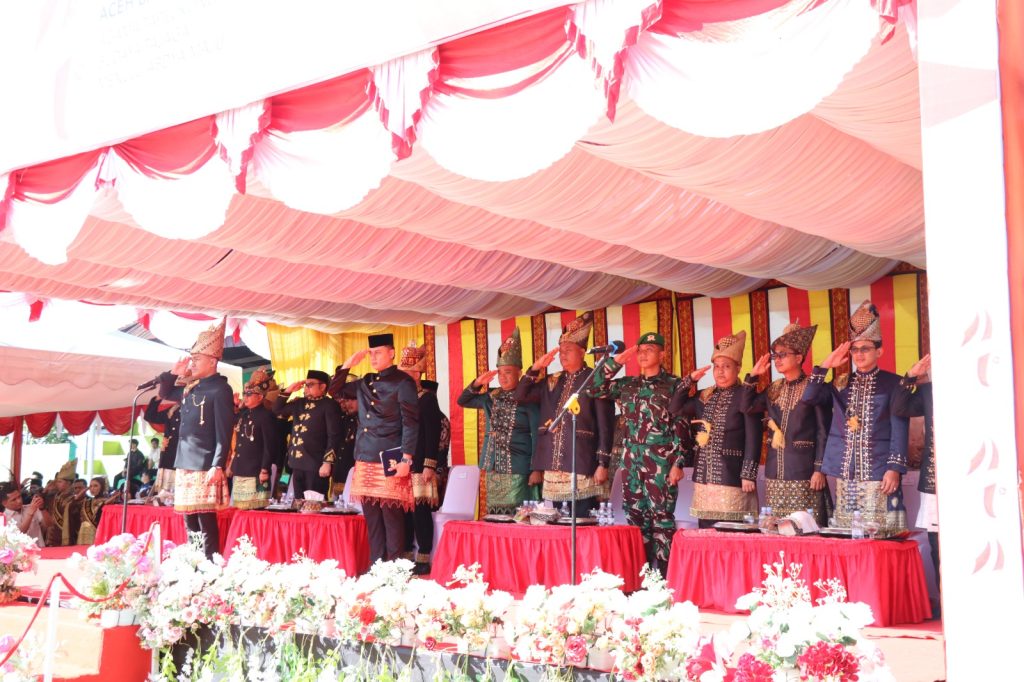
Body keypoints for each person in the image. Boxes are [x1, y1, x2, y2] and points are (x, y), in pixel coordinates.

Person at [586, 331, 688, 575]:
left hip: (661, 464)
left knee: (661, 518)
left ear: (662, 354)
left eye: (649, 350)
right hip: (632, 463)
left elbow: (682, 426)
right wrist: (615, 363)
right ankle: (641, 576)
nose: (643, 355)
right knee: (635, 519)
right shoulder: (628, 385)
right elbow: (593, 389)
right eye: (640, 351)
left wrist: (679, 462)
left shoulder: (674, 385)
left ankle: (662, 578)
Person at [803, 301, 909, 535]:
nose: (859, 354)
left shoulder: (893, 383)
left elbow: (899, 426)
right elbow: (809, 398)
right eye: (855, 349)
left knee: (881, 534)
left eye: (865, 349)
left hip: (879, 471)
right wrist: (825, 365)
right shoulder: (842, 383)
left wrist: (894, 468)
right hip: (847, 473)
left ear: (879, 351)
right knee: (848, 534)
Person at [513, 312, 614, 518]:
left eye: (568, 350)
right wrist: (535, 368)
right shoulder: (552, 380)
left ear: (582, 352)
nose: (563, 355)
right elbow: (520, 396)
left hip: (583, 463)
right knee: (557, 521)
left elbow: (605, 425)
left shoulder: (594, 379)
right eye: (561, 352)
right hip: (553, 465)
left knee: (582, 521)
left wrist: (603, 463)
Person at [331, 333, 418, 564]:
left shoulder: (403, 382)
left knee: (391, 514)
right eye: (371, 353)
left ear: (391, 353)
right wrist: (348, 365)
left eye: (378, 352)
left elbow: (410, 422)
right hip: (365, 454)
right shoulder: (366, 381)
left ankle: (393, 569)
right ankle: (376, 565)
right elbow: (335, 390)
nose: (373, 357)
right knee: (371, 515)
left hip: (390, 455)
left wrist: (407, 458)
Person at [740, 322, 833, 525]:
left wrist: (819, 469)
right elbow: (747, 407)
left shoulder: (813, 387)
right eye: (775, 356)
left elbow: (822, 431)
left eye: (783, 355)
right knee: (776, 527)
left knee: (805, 528)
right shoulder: (774, 388)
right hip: (774, 473)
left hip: (804, 472)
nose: (777, 360)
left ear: (799, 358)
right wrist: (753, 377)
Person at [157, 318, 235, 560]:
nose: (192, 363)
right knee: (188, 517)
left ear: (212, 361)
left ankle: (210, 561)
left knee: (205, 517)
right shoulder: (192, 387)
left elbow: (224, 430)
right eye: (192, 358)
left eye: (197, 359)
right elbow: (165, 392)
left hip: (205, 463)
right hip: (184, 461)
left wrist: (217, 464)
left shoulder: (220, 389)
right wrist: (173, 373)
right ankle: (193, 560)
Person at [670, 331, 763, 527]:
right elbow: (675, 408)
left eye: (726, 366)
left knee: (732, 532)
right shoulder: (705, 395)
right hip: (704, 477)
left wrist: (748, 474)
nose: (720, 372)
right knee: (706, 532)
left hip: (732, 476)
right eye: (717, 367)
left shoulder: (744, 396)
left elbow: (753, 437)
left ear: (738, 368)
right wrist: (689, 380)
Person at [458, 327, 540, 515]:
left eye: (508, 372)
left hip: (518, 467)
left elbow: (537, 436)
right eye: (500, 372)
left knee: (519, 517)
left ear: (519, 372)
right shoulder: (492, 396)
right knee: (495, 517)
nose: (503, 377)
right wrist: (477, 383)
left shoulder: (528, 398)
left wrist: (536, 469)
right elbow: (463, 401)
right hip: (493, 466)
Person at [397, 341, 443, 575]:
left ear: (416, 374)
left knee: (420, 512)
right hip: (401, 464)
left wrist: (429, 464)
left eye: (406, 373)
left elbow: (432, 433)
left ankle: (424, 556)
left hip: (420, 464)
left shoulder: (426, 398)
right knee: (403, 512)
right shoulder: (399, 398)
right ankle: (406, 555)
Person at [892, 354, 938, 575]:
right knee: (938, 545)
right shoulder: (930, 391)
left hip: (972, 475)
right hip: (934, 479)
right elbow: (899, 408)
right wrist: (910, 376)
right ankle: (944, 593)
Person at [273, 369, 343, 500]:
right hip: (296, 463)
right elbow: (277, 410)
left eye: (310, 385)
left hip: (316, 465)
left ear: (322, 387)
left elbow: (334, 436)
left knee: (314, 504)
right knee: (299, 504)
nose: (306, 388)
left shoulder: (329, 405)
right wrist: (288, 391)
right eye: (306, 385)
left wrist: (327, 462)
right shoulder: (299, 403)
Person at [229, 368, 281, 510]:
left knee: (255, 511)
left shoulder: (266, 416)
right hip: (241, 469)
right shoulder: (245, 414)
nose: (245, 397)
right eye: (245, 394)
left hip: (256, 471)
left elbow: (270, 446)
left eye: (249, 394)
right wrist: (235, 405)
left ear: (259, 397)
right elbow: (232, 423)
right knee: (240, 510)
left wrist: (265, 469)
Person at [328, 378, 359, 500]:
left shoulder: (366, 422)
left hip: (357, 478)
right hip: (339, 475)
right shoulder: (343, 420)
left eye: (351, 399)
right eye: (345, 400)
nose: (347, 404)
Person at [144, 396, 181, 493]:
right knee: (166, 490)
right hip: (169, 452)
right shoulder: (173, 409)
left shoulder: (196, 409)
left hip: (185, 453)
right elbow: (150, 416)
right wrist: (158, 398)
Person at [46, 461, 82, 547]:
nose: (56, 484)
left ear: (68, 483)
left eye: (60, 482)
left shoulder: (72, 499)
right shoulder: (56, 496)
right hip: (54, 534)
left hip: (65, 535)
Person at [77, 477, 120, 545]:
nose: (92, 489)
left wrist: (114, 497)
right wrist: (86, 489)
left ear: (102, 487)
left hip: (96, 531)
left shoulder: (106, 500)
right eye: (90, 486)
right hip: (83, 531)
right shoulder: (88, 501)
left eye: (95, 486)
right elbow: (76, 498)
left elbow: (104, 503)